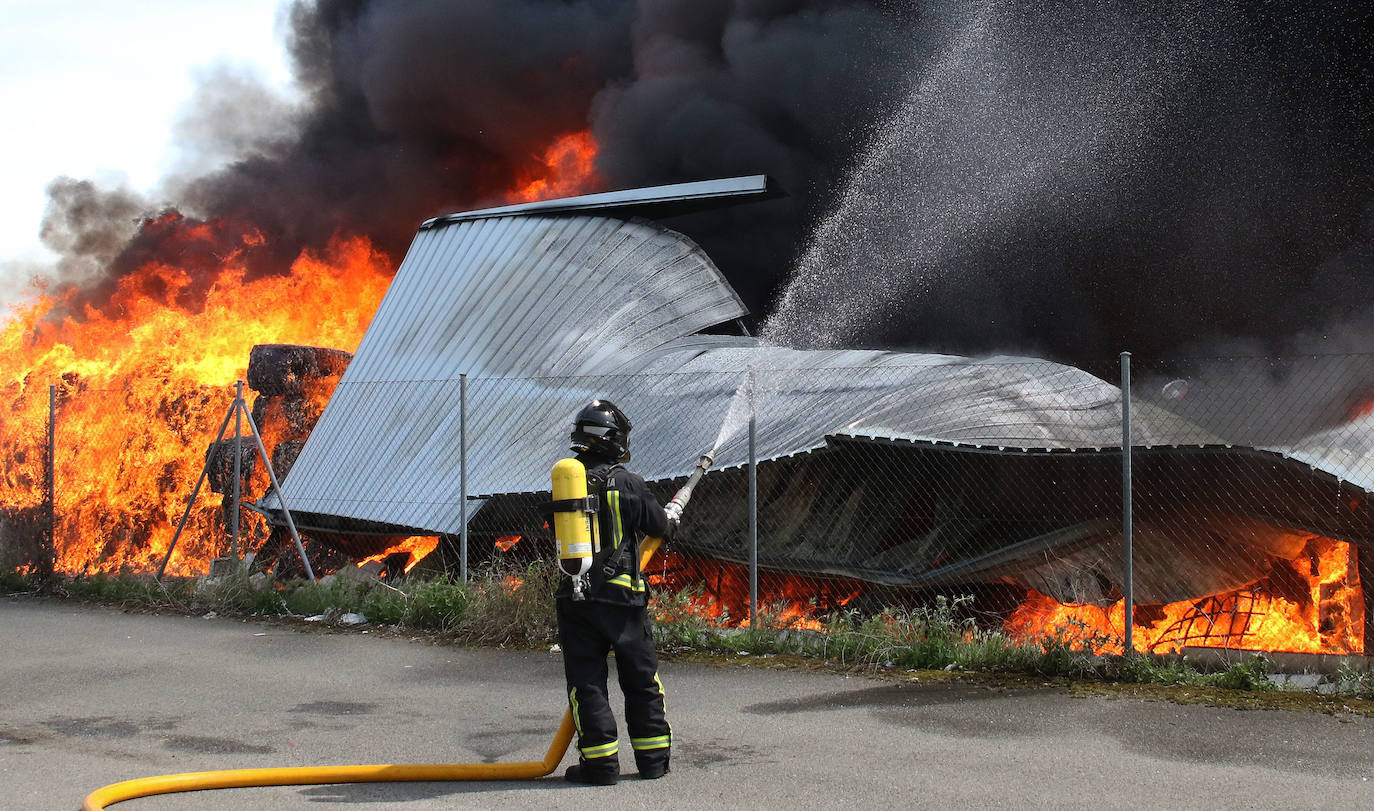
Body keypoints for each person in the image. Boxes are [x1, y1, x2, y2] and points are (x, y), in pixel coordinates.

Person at [555, 399, 679, 786]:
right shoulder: (629, 483)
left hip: (576, 597)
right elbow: (660, 527)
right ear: (613, 440)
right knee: (641, 681)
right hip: (624, 600)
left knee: (587, 683)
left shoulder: (566, 480)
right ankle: (653, 761)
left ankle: (600, 765)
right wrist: (671, 515)